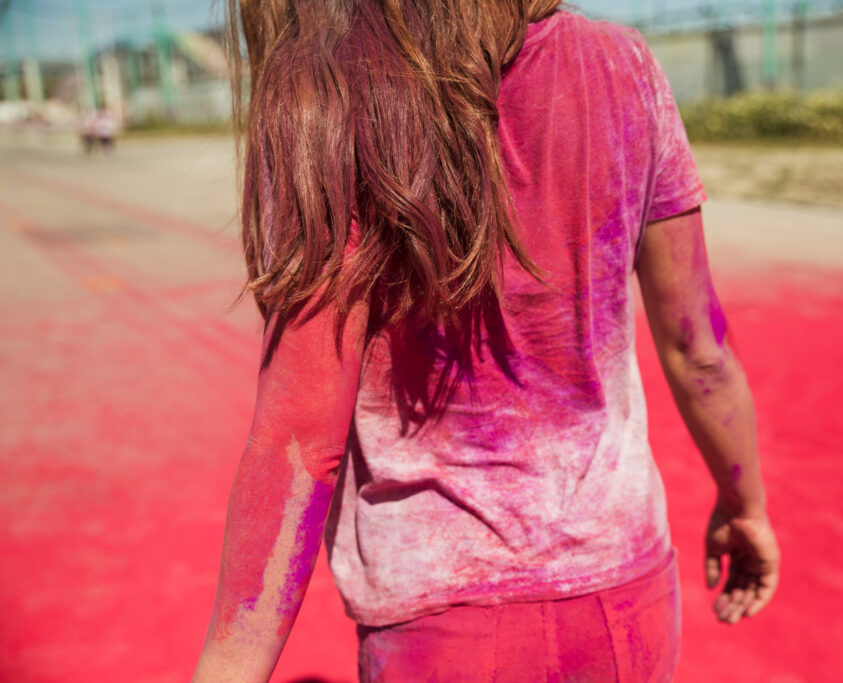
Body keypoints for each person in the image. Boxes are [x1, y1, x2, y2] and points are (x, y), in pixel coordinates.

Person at [194, 1, 779, 681]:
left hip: (444, 625)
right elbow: (699, 348)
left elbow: (299, 440)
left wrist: (229, 665)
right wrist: (746, 506)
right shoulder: (626, 63)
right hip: (626, 597)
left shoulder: (329, 85)